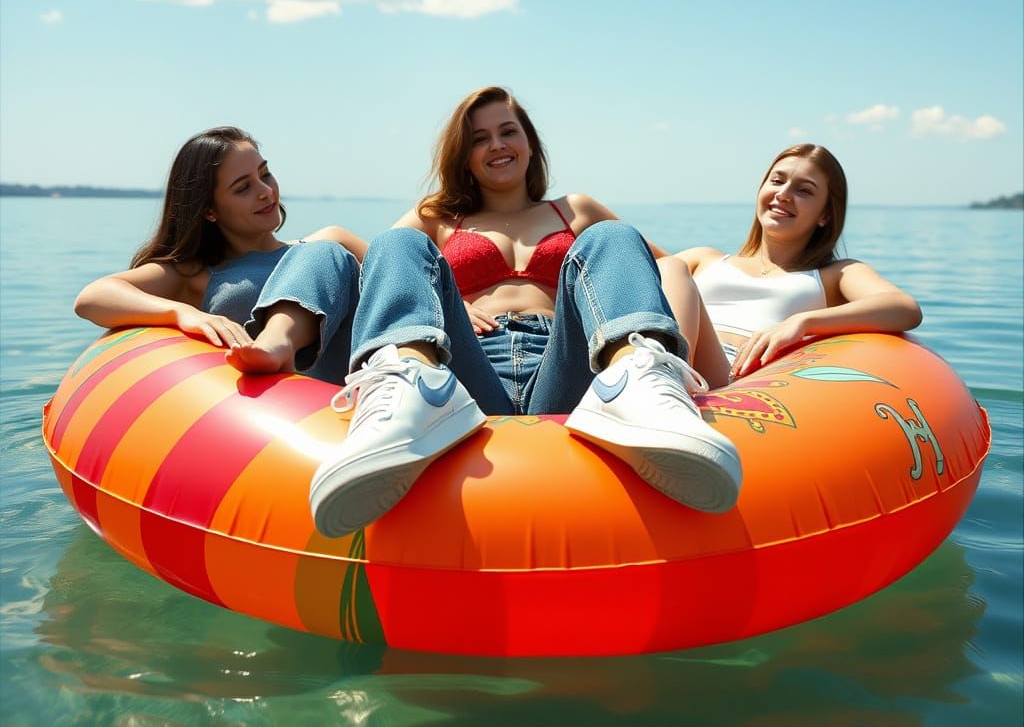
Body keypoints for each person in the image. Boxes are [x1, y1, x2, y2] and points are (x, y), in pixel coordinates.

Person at [309, 87, 742, 538]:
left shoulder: (576, 210)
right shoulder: (437, 219)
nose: (496, 145)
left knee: (613, 235)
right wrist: (447, 304)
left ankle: (640, 385)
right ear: (464, 156)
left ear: (530, 143)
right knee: (397, 241)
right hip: (468, 372)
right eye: (479, 138)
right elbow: (385, 261)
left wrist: (734, 269)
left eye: (507, 131)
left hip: (566, 364)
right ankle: (404, 407)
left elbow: (649, 269)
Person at [74, 127, 366, 383]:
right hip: (296, 412)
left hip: (367, 381)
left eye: (265, 174)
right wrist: (182, 313)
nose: (266, 191)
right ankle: (273, 348)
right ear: (209, 210)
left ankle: (281, 345)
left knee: (324, 251)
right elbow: (93, 297)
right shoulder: (194, 274)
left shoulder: (329, 243)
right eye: (243, 188)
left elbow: (396, 276)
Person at [677, 143, 922, 387]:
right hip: (659, 354)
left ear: (824, 215)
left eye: (804, 191)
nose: (783, 194)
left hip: (728, 372)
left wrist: (801, 322)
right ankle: (664, 371)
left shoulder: (834, 274)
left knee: (672, 267)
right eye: (776, 181)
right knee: (668, 265)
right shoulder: (705, 258)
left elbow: (904, 308)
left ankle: (672, 377)